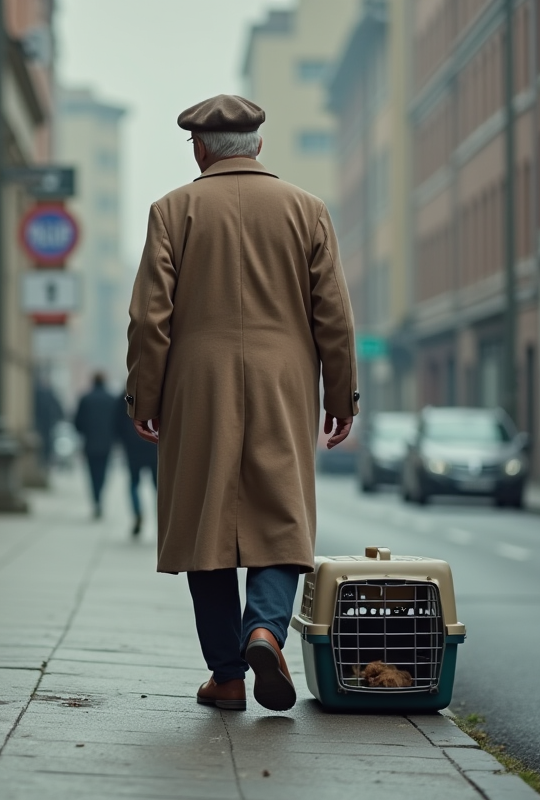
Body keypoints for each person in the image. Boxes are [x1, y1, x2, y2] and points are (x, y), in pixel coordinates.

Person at [124, 94, 358, 713]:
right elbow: (332, 314)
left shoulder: (172, 210)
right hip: (285, 382)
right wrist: (340, 394)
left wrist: (145, 395)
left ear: (199, 147)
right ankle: (265, 631)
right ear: (258, 145)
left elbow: (150, 318)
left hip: (197, 384)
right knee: (281, 515)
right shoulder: (306, 210)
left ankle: (227, 676)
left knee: (207, 522)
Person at [114, 385, 157, 537]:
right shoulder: (156, 391)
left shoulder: (125, 396)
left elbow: (117, 422)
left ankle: (137, 513)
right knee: (158, 487)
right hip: (153, 446)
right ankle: (160, 518)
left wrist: (124, 441)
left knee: (133, 484)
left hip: (133, 448)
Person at [73, 371, 117, 519]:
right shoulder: (112, 399)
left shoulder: (85, 399)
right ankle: (100, 496)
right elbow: (118, 423)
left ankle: (96, 499)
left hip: (90, 444)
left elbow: (77, 422)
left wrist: (85, 432)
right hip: (107, 444)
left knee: (92, 474)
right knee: (103, 473)